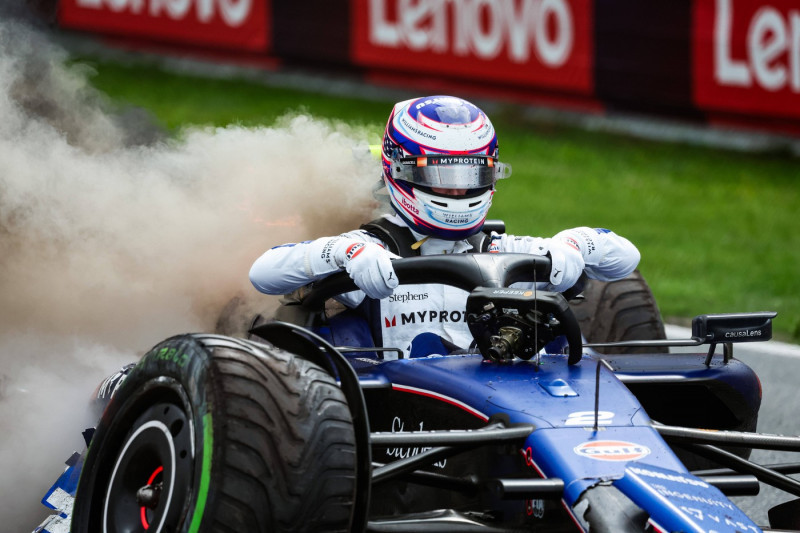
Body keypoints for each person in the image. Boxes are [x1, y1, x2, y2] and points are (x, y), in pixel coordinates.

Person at [249, 95, 639, 358]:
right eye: (443, 175)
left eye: (473, 175)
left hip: (521, 415)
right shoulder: (369, 250)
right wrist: (344, 253)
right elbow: (264, 272)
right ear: (398, 171)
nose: (458, 189)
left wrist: (577, 243)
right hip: (402, 432)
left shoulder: (506, 251)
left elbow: (626, 257)